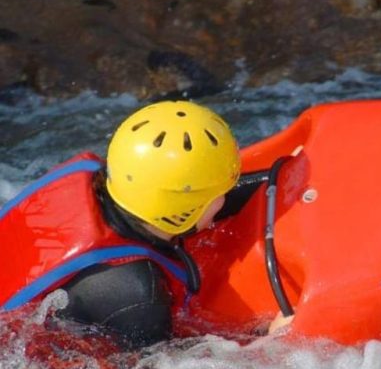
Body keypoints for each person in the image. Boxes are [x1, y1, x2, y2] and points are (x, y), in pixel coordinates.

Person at [0, 100, 242, 348]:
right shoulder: (137, 296)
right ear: (185, 210)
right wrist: (267, 338)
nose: (227, 196)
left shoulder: (97, 177)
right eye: (221, 193)